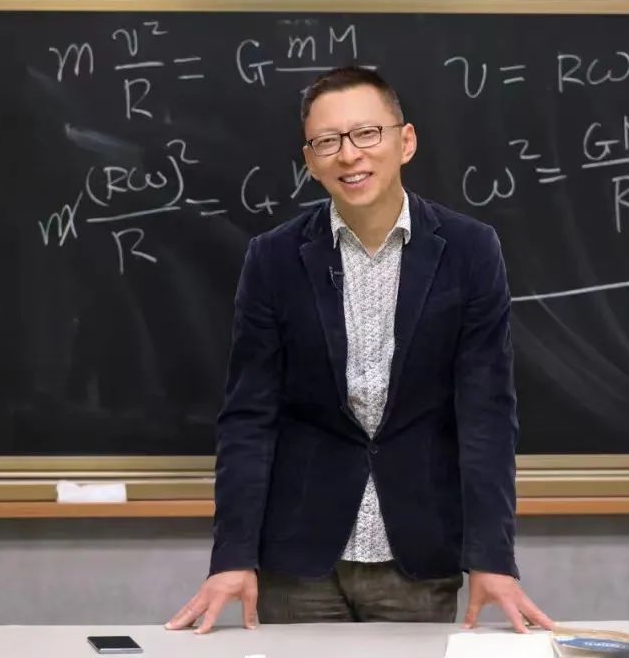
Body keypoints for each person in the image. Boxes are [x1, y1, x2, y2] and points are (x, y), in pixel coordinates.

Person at [167, 66, 551, 634]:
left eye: (367, 133)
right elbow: (249, 417)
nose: (349, 155)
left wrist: (492, 557)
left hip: (418, 553)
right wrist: (232, 555)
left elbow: (487, 413)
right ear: (310, 159)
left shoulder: (470, 250)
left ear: (406, 141)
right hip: (298, 558)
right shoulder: (273, 259)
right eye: (328, 141)